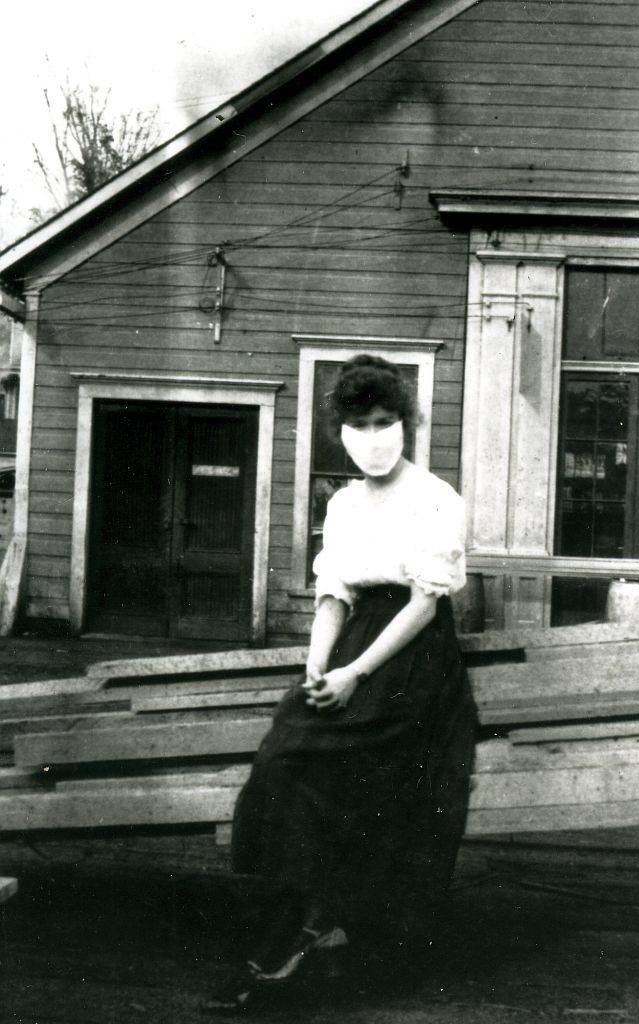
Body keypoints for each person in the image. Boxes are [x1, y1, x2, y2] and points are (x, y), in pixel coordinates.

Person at [205, 354, 477, 1013]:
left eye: (385, 421)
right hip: (354, 644)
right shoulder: (346, 504)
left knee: (349, 776)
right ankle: (289, 927)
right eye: (360, 424)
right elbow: (334, 594)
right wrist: (319, 664)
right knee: (280, 762)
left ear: (406, 423)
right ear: (342, 432)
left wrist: (356, 673)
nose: (374, 435)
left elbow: (424, 604)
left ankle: (312, 934)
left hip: (412, 661)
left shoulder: (436, 499)